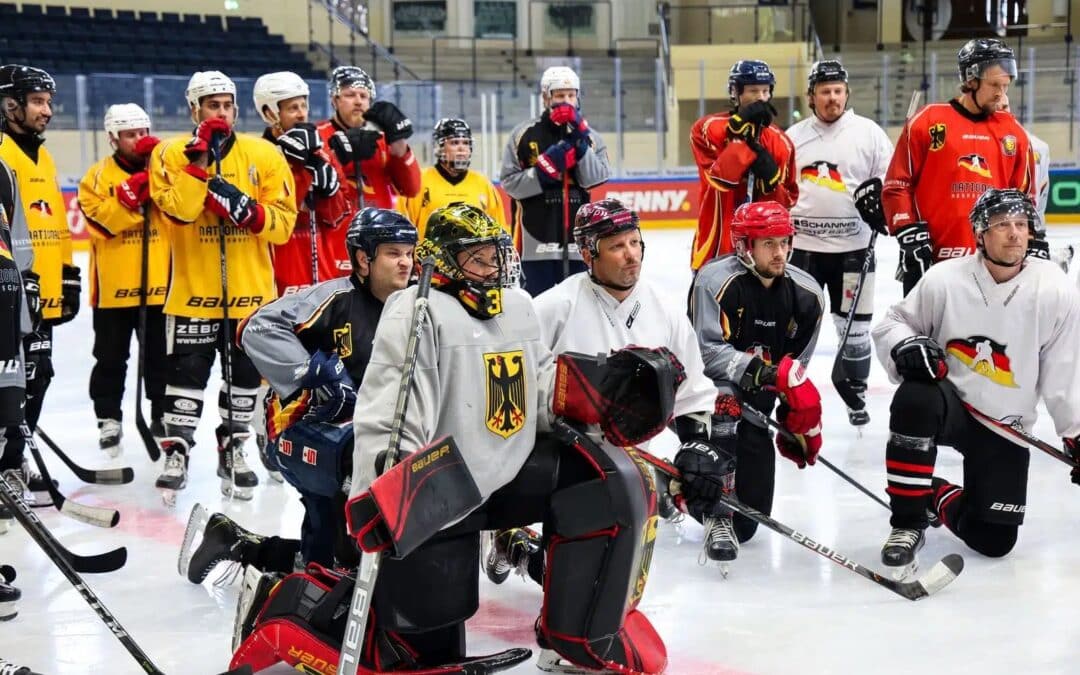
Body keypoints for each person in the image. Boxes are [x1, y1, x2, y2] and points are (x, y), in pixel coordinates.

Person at [229, 203, 682, 674]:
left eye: (495, 256)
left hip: (506, 466)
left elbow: (538, 384)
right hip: (440, 482)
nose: (493, 268)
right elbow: (390, 411)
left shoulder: (517, 306)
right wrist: (383, 489)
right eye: (477, 258)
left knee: (603, 479)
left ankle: (582, 633)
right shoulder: (416, 310)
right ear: (444, 261)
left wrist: (596, 394)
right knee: (419, 644)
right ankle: (282, 600)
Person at [484, 198, 725, 580]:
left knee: (617, 578)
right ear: (588, 254)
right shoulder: (553, 307)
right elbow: (511, 388)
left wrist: (697, 447)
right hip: (564, 456)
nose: (631, 255)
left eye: (635, 242)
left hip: (632, 462)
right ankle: (515, 543)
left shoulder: (665, 310)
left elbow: (693, 391)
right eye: (617, 246)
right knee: (566, 576)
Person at [177, 208, 416, 586]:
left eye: (409, 253)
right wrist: (311, 375)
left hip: (361, 432)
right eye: (393, 253)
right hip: (301, 428)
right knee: (353, 480)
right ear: (362, 258)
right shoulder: (333, 297)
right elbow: (255, 327)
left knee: (333, 554)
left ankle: (239, 543)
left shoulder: (417, 304)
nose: (405, 262)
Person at [872, 188, 1080, 576]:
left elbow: (1064, 367)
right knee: (915, 397)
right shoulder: (945, 279)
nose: (1014, 233)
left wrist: (1076, 433)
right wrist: (906, 345)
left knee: (994, 540)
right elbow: (893, 323)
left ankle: (929, 493)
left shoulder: (1054, 287)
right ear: (980, 234)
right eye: (1002, 225)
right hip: (949, 404)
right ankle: (907, 522)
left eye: (1021, 224)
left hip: (1004, 424)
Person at [148, 70, 296, 503]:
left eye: (228, 105)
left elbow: (283, 226)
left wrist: (247, 210)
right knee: (185, 377)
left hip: (251, 295)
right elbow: (179, 211)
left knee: (245, 378)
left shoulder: (263, 153)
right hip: (191, 293)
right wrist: (197, 165)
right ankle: (177, 451)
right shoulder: (169, 153)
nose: (222, 112)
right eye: (213, 105)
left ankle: (234, 448)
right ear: (194, 109)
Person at [688, 201, 826, 555]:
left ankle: (685, 494)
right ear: (744, 246)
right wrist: (760, 371)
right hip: (707, 399)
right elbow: (705, 354)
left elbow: (794, 368)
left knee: (749, 523)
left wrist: (799, 421)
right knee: (724, 405)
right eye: (768, 244)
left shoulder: (808, 295)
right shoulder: (714, 281)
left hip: (756, 406)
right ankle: (714, 514)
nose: (780, 253)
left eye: (784, 242)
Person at [786, 60, 893, 427]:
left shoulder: (870, 133)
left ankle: (856, 394)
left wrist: (883, 206)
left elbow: (890, 182)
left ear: (846, 94)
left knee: (856, 329)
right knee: (795, 328)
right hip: (803, 251)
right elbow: (782, 189)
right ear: (811, 96)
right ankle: (790, 395)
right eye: (824, 91)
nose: (832, 98)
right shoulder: (794, 136)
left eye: (837, 91)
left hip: (854, 250)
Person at [883, 38, 1035, 295]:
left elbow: (1023, 197)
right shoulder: (927, 121)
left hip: (992, 265)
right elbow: (898, 184)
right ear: (970, 80)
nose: (1001, 94)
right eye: (994, 85)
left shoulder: (1014, 133)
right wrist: (907, 230)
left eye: (1006, 86)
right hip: (928, 260)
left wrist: (1030, 236)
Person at [0, 64, 75, 506]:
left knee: (37, 377)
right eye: (37, 101)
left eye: (48, 101)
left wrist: (67, 276)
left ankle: (13, 461)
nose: (47, 110)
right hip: (9, 293)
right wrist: (18, 279)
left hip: (39, 294)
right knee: (8, 383)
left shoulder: (41, 154)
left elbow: (55, 224)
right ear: (10, 105)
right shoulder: (1, 152)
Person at [77, 103, 168, 456]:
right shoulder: (97, 176)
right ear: (113, 138)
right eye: (130, 134)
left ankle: (160, 413)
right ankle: (108, 418)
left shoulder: (164, 171)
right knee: (110, 358)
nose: (139, 140)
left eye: (143, 133)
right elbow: (100, 223)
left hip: (160, 287)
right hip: (113, 290)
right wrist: (132, 191)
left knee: (160, 358)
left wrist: (155, 178)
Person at [501, 66, 611, 295]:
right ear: (546, 97)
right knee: (536, 309)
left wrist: (580, 143)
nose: (566, 101)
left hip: (580, 247)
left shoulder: (590, 137)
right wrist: (542, 173)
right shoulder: (523, 135)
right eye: (560, 95)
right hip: (534, 246)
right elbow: (510, 184)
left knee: (580, 309)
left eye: (571, 95)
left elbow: (596, 177)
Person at [689, 59, 798, 271]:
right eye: (753, 91)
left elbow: (787, 202)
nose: (761, 98)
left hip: (763, 256)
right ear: (735, 92)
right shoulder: (708, 128)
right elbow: (719, 180)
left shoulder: (781, 142)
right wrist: (742, 142)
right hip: (715, 249)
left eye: (765, 91)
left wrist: (771, 182)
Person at [253, 70, 352, 294]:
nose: (301, 114)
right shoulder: (260, 155)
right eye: (292, 108)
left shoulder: (322, 152)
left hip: (322, 272)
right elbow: (277, 214)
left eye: (303, 106)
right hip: (279, 272)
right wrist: (300, 169)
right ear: (269, 113)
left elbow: (338, 217)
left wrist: (330, 195)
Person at [318, 65, 421, 272]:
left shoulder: (382, 140)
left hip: (378, 243)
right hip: (332, 244)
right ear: (335, 100)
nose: (358, 101)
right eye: (350, 95)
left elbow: (411, 188)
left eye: (363, 96)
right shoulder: (318, 136)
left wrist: (398, 142)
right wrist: (336, 155)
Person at [398, 117, 507, 238]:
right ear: (439, 146)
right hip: (430, 250)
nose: (461, 148)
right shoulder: (419, 180)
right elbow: (403, 227)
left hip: (473, 250)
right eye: (454, 143)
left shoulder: (483, 184)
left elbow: (498, 231)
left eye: (466, 143)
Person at [0, 154, 30, 531]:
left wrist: (27, 287)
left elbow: (17, 241)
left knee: (6, 406)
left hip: (5, 302)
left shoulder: (4, 173)